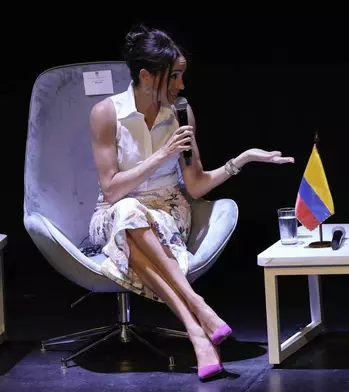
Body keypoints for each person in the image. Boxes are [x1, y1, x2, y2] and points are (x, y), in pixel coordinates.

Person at [86, 24, 294, 381]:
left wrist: (240, 160)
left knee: (134, 221)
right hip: (113, 213)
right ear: (147, 76)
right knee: (126, 210)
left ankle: (198, 332)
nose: (181, 86)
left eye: (182, 76)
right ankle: (199, 314)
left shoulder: (180, 114)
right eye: (175, 76)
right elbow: (111, 190)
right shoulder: (107, 114)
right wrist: (161, 154)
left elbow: (195, 186)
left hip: (167, 211)